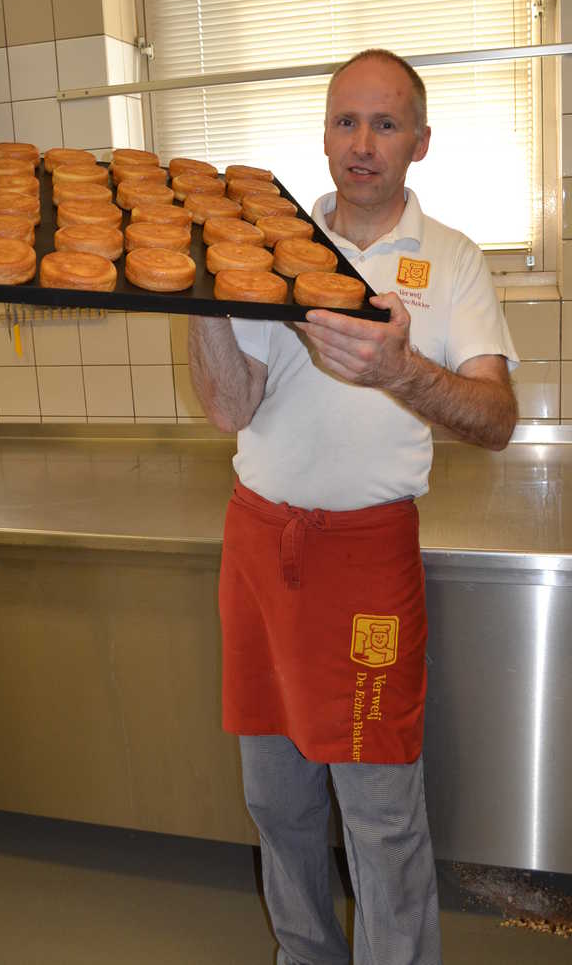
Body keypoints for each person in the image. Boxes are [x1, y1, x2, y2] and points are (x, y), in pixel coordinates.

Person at [188, 49, 519, 965]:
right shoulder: (272, 248)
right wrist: (203, 295)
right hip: (261, 549)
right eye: (344, 122)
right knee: (277, 799)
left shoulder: (449, 261)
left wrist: (401, 369)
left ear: (420, 141)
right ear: (324, 133)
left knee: (380, 812)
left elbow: (494, 419)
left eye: (383, 124)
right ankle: (305, 954)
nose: (361, 144)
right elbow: (229, 407)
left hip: (368, 564)